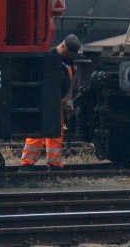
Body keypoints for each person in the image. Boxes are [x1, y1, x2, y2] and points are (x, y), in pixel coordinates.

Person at [21, 33, 81, 170]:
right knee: (37, 133)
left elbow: (68, 82)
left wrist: (68, 101)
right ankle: (27, 164)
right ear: (63, 46)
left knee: (56, 134)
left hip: (56, 102)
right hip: (44, 102)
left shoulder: (66, 61)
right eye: (69, 52)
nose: (70, 56)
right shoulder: (50, 58)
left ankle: (54, 164)